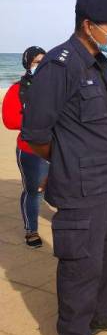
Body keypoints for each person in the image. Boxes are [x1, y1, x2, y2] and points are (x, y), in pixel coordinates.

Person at [21, 0, 107, 335]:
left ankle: (101, 314)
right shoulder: (60, 65)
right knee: (80, 268)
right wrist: (68, 161)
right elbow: (36, 136)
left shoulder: (97, 62)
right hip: (80, 189)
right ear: (88, 26)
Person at [2, 46, 49, 248]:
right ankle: (31, 230)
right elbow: (10, 120)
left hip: (59, 148)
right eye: (37, 62)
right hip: (30, 150)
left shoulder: (56, 86)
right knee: (34, 190)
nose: (41, 65)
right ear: (28, 64)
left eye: (44, 61)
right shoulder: (17, 89)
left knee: (63, 187)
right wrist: (37, 120)